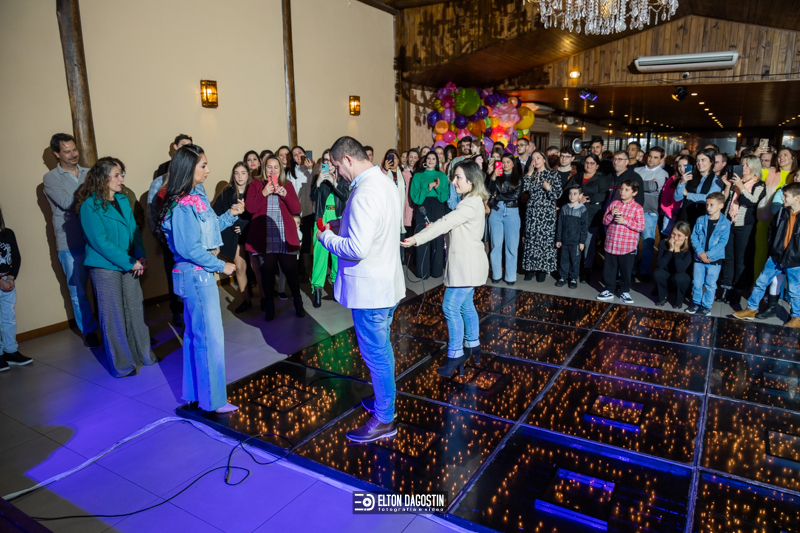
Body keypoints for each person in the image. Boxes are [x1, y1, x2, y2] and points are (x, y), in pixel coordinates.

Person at [317, 136, 405, 442]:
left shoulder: (366, 191)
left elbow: (357, 248)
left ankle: (385, 418)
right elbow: (375, 227)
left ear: (348, 159)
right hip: (386, 284)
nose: (337, 172)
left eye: (336, 165)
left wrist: (326, 238)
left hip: (371, 292)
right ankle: (385, 401)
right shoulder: (383, 182)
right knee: (381, 351)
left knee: (376, 356)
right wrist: (342, 223)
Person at [158, 145, 243, 413]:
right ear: (188, 169)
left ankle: (197, 394)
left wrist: (230, 215)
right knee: (209, 337)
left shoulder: (197, 195)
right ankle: (213, 401)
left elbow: (209, 230)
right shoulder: (182, 205)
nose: (208, 170)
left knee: (197, 335)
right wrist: (220, 265)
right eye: (203, 165)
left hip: (199, 273)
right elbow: (189, 249)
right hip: (196, 274)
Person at [402, 160, 489, 376]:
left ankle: (456, 354)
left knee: (450, 307)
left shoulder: (468, 204)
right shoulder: (473, 201)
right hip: (470, 264)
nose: (454, 181)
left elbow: (445, 222)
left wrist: (417, 238)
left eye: (458, 177)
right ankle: (473, 344)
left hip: (466, 267)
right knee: (466, 305)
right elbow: (454, 226)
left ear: (471, 181)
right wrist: (439, 228)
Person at [77, 157, 156, 377]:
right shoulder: (89, 206)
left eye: (122, 174)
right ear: (103, 178)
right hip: (105, 267)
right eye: (117, 175)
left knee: (135, 310)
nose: (122, 179)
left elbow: (134, 231)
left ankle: (144, 355)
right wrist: (130, 262)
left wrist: (140, 254)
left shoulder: (122, 200)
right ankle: (122, 365)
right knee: (113, 316)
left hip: (129, 262)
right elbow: (100, 242)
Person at [43, 133, 99, 347]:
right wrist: (92, 192)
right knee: (79, 291)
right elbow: (68, 203)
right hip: (70, 242)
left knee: (103, 286)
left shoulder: (88, 172)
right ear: (57, 154)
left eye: (74, 149)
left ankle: (109, 327)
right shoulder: (50, 178)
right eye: (67, 151)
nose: (73, 154)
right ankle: (89, 331)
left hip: (95, 240)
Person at [246, 156, 305, 321]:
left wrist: (285, 194)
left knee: (290, 270)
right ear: (264, 169)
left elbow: (296, 208)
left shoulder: (287, 184)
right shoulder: (256, 184)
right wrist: (264, 193)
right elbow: (250, 208)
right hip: (265, 235)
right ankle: (269, 306)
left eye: (276, 167)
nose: (272, 170)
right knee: (267, 272)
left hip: (283, 234)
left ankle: (298, 302)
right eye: (269, 167)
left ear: (280, 170)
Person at [734, 181, 800, 327]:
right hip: (776, 256)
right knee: (761, 282)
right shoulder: (782, 211)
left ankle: (797, 317)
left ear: (797, 198)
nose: (782, 198)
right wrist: (773, 247)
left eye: (786, 196)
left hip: (795, 259)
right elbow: (772, 229)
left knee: (795, 290)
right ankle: (751, 309)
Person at [148, 134, 195, 327]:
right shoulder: (160, 182)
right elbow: (152, 212)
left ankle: (192, 310)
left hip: (192, 240)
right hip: (171, 240)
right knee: (174, 275)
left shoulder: (195, 178)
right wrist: (160, 236)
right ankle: (176, 311)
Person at [717, 155, 766, 305]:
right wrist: (727, 185)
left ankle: (737, 291)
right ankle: (725, 288)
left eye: (747, 165)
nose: (743, 167)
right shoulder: (735, 181)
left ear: (754, 167)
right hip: (729, 223)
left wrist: (740, 186)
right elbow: (724, 201)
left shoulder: (759, 185)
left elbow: (751, 201)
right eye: (742, 164)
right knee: (728, 258)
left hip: (745, 226)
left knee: (740, 260)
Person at [310, 152, 350, 308]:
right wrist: (319, 182)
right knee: (319, 257)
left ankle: (335, 286)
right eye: (326, 161)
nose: (329, 164)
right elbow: (313, 197)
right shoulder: (317, 178)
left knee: (337, 256)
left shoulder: (343, 179)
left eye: (331, 161)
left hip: (337, 221)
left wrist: (334, 184)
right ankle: (317, 290)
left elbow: (345, 197)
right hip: (321, 219)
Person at [213, 162, 252, 313]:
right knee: (240, 267)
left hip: (252, 233)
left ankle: (265, 299)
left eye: (243, 173)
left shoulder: (253, 190)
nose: (240, 176)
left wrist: (243, 224)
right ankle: (246, 300)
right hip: (235, 236)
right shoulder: (226, 192)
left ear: (248, 174)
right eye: (236, 173)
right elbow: (216, 215)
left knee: (257, 267)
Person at [597, 180, 644, 304]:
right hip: (612, 244)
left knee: (625, 270)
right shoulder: (614, 204)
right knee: (609, 269)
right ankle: (609, 289)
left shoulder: (637, 208)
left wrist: (625, 221)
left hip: (626, 246)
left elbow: (641, 227)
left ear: (634, 192)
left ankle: (624, 290)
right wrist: (611, 215)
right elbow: (605, 221)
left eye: (627, 190)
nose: (622, 192)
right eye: (621, 189)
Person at [564, 154, 608, 283]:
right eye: (587, 162)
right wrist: (576, 199)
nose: (589, 165)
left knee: (588, 244)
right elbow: (567, 190)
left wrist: (588, 198)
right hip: (576, 215)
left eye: (592, 163)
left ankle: (587, 269)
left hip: (592, 215)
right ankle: (574, 269)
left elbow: (604, 195)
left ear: (597, 165)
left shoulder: (601, 178)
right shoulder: (578, 176)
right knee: (575, 243)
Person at [687, 192, 731, 316]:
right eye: (707, 205)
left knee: (710, 284)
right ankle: (696, 303)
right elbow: (694, 236)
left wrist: (708, 255)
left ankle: (706, 306)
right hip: (699, 258)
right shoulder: (700, 220)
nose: (708, 207)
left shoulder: (725, 223)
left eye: (712, 205)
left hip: (714, 260)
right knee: (697, 283)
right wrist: (700, 252)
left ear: (721, 205)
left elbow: (723, 242)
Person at [521, 151, 562, 282]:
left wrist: (548, 188)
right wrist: (528, 173)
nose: (536, 161)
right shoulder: (531, 174)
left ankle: (543, 269)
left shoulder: (553, 174)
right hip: (532, 212)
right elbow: (524, 190)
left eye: (538, 158)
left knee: (545, 241)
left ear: (544, 159)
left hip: (546, 214)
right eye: (533, 158)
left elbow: (557, 194)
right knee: (531, 240)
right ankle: (531, 268)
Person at [755, 147, 796, 276]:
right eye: (779, 155)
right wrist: (756, 154)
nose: (781, 157)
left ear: (793, 158)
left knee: (781, 254)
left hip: (788, 221)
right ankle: (757, 282)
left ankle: (776, 287)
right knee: (761, 251)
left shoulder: (796, 175)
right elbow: (753, 170)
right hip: (766, 217)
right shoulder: (770, 172)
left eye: (785, 155)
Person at [410, 152, 449, 279]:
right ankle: (423, 271)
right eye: (428, 158)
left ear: (437, 162)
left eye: (433, 159)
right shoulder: (418, 176)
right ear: (425, 161)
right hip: (423, 207)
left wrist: (437, 187)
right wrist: (428, 188)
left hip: (438, 207)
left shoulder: (442, 175)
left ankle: (436, 270)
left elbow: (444, 196)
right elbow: (415, 196)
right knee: (422, 236)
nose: (431, 160)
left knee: (437, 237)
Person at [0, 206, 29, 371]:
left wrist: (10, 278)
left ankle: (10, 350)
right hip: (1, 282)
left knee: (8, 318)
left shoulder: (8, 233)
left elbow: (16, 257)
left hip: (8, 281)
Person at [635, 146, 669, 282]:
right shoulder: (636, 170)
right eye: (650, 156)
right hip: (633, 211)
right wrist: (647, 184)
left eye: (655, 157)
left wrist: (637, 185)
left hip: (650, 212)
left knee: (648, 244)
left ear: (661, 159)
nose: (651, 159)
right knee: (632, 243)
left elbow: (653, 187)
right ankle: (630, 270)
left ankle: (644, 271)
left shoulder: (662, 174)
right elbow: (631, 185)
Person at [487, 154, 522, 285]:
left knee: (511, 246)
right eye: (503, 162)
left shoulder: (518, 178)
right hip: (497, 211)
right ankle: (496, 274)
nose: (505, 164)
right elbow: (489, 192)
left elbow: (516, 195)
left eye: (508, 161)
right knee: (496, 245)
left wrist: (498, 196)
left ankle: (510, 276)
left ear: (513, 163)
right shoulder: (496, 177)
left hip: (512, 211)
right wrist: (493, 177)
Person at [674, 148, 724, 226]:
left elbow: (709, 198)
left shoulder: (716, 180)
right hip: (686, 217)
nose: (700, 163)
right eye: (697, 160)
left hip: (703, 219)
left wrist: (688, 195)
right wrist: (682, 183)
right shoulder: (691, 177)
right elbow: (677, 198)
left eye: (703, 160)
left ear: (711, 162)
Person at [288, 146, 316, 280]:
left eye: (300, 152)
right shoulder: (290, 173)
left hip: (312, 210)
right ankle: (304, 272)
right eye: (295, 154)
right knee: (303, 242)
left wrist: (311, 169)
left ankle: (314, 271)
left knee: (314, 241)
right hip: (299, 212)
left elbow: (317, 184)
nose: (298, 155)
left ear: (305, 154)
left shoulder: (314, 168)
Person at [653, 222, 693, 309]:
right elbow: (660, 265)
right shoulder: (663, 243)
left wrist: (677, 250)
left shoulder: (689, 249)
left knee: (680, 276)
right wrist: (670, 249)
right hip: (667, 276)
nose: (675, 238)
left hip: (681, 279)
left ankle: (679, 300)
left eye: (679, 235)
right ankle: (662, 297)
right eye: (673, 234)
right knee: (657, 273)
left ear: (686, 237)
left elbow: (680, 269)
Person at [555, 187, 588, 289]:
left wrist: (582, 241)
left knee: (575, 261)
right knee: (564, 260)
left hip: (576, 242)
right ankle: (562, 277)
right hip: (564, 241)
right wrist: (558, 239)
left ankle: (573, 278)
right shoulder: (564, 208)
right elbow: (560, 224)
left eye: (575, 193)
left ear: (580, 195)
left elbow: (584, 227)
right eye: (570, 193)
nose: (572, 196)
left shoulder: (582, 209)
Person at [660, 155, 692, 237]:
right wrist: (670, 215)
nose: (681, 168)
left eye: (685, 166)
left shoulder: (695, 180)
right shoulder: (672, 179)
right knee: (669, 238)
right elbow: (664, 200)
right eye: (679, 166)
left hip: (688, 212)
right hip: (672, 212)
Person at [382, 149, 407, 237]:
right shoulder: (382, 173)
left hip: (401, 208)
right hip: (388, 209)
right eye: (389, 158)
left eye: (394, 158)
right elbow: (380, 184)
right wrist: (385, 169)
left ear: (398, 160)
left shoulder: (405, 173)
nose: (392, 160)